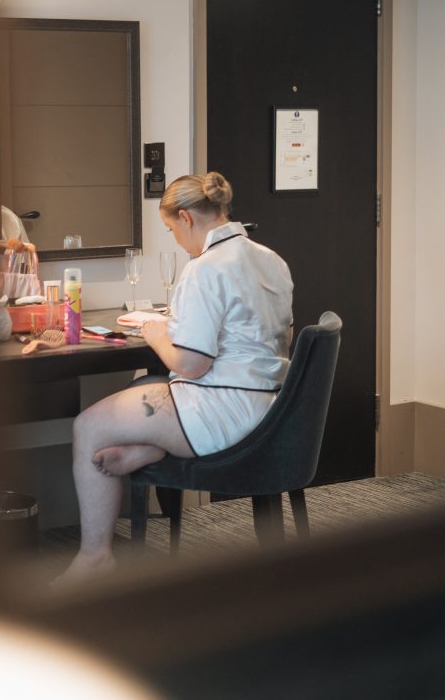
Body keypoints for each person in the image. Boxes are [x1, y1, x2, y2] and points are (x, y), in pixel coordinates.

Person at [56, 171, 294, 585]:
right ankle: (152, 450)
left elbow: (191, 365)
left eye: (170, 230)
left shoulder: (205, 269)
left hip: (222, 414)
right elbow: (283, 336)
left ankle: (95, 558)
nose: (176, 241)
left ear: (185, 217)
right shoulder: (271, 259)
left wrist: (155, 333)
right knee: (137, 392)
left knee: (89, 425)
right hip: (270, 412)